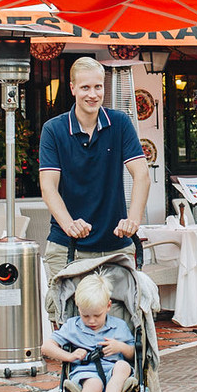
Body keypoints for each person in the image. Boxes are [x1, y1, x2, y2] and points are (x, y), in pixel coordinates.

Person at [38, 56, 152, 318]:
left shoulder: (120, 123)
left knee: (122, 327)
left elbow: (141, 175)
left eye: (98, 87)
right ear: (72, 88)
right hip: (68, 246)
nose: (93, 94)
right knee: (68, 327)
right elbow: (48, 187)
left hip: (116, 243)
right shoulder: (53, 130)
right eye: (86, 87)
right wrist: (69, 224)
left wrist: (133, 219)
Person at [42, 272, 137, 392]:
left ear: (108, 307)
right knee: (93, 385)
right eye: (85, 316)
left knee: (122, 366)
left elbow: (134, 353)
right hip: (87, 372)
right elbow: (46, 347)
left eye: (97, 315)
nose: (91, 321)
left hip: (113, 372)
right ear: (78, 309)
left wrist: (120, 347)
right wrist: (69, 356)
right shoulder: (73, 326)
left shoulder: (118, 326)